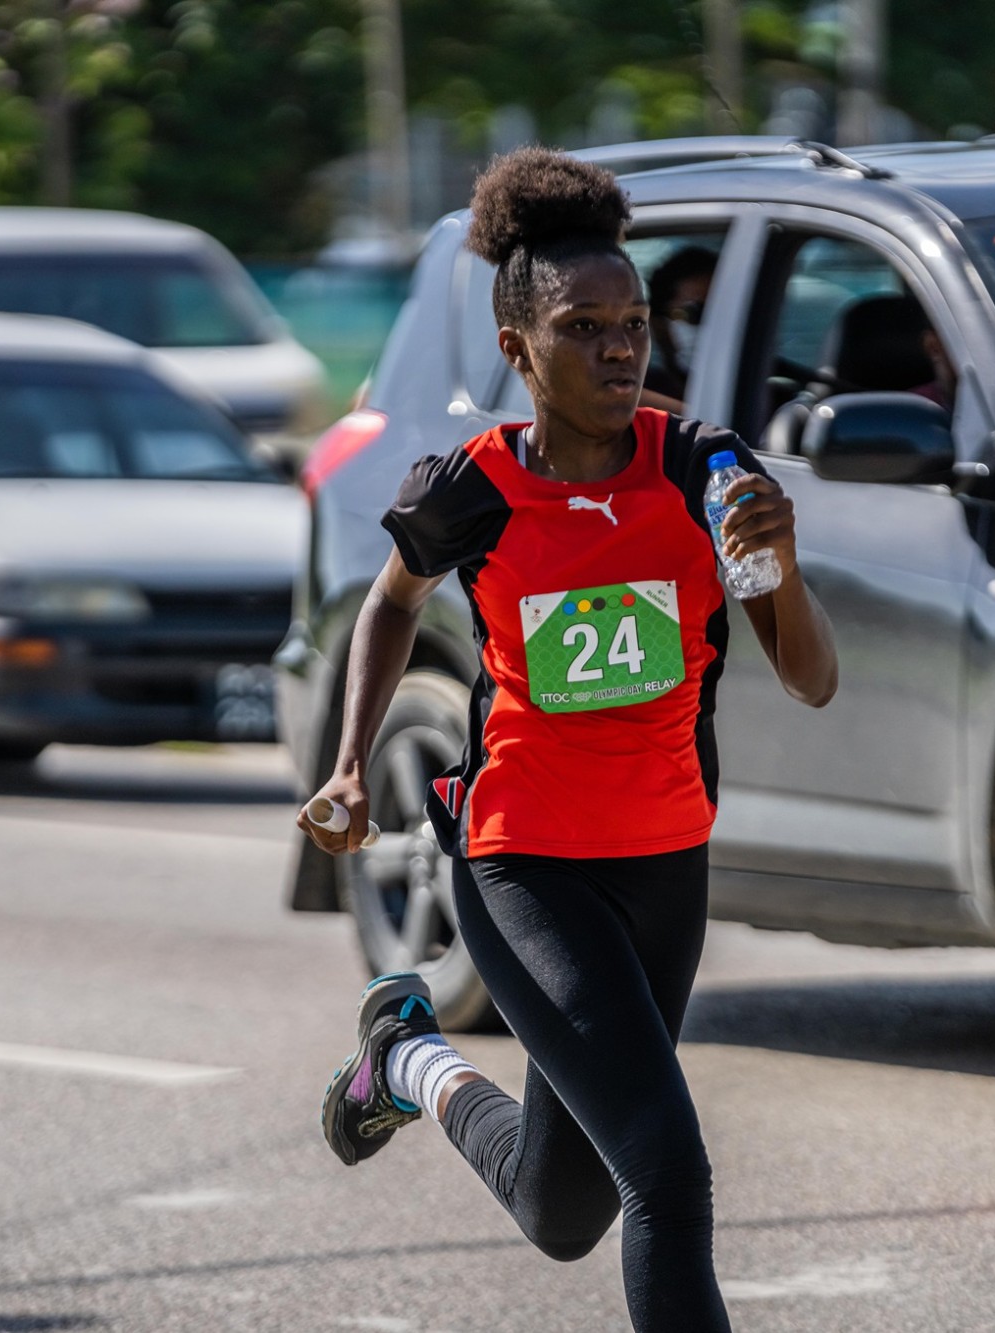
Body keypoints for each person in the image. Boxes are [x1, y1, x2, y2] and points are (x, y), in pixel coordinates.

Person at [301, 148, 838, 1332]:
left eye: (633, 324)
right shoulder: (474, 489)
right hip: (523, 863)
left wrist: (781, 565)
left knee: (561, 1208)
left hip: (663, 863)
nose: (617, 350)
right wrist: (348, 762)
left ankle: (406, 1061)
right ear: (517, 349)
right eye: (582, 328)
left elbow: (810, 680)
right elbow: (390, 601)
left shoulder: (704, 474)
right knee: (667, 1175)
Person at [641, 245, 717, 412]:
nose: (714, 326)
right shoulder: (638, 394)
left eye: (723, 313)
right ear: (658, 324)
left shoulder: (761, 384)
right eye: (696, 313)